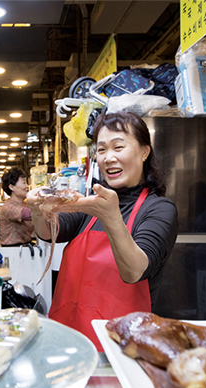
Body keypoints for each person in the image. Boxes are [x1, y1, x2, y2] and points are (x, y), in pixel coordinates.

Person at [27, 111, 178, 349]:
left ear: (144, 151)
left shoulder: (159, 209)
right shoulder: (90, 202)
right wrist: (37, 209)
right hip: (70, 340)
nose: (108, 157)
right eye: (101, 149)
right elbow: (49, 232)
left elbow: (134, 271)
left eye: (118, 147)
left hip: (123, 347)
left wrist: (111, 217)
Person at [0, 167, 34, 246]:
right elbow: (28, 214)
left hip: (24, 248)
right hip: (12, 250)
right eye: (24, 183)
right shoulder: (8, 207)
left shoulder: (26, 204)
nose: (27, 186)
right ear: (12, 187)